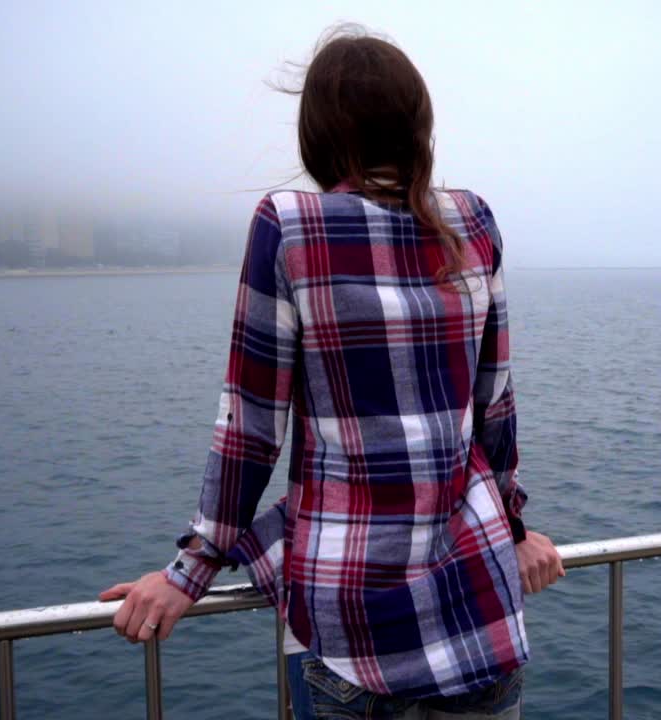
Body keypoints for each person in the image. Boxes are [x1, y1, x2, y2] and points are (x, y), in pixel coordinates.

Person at [100, 26, 564, 719]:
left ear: (319, 133)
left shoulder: (291, 226)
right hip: (478, 617)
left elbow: (251, 430)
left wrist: (189, 572)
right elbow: (495, 407)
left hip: (352, 626)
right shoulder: (473, 222)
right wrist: (515, 530)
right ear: (418, 125)